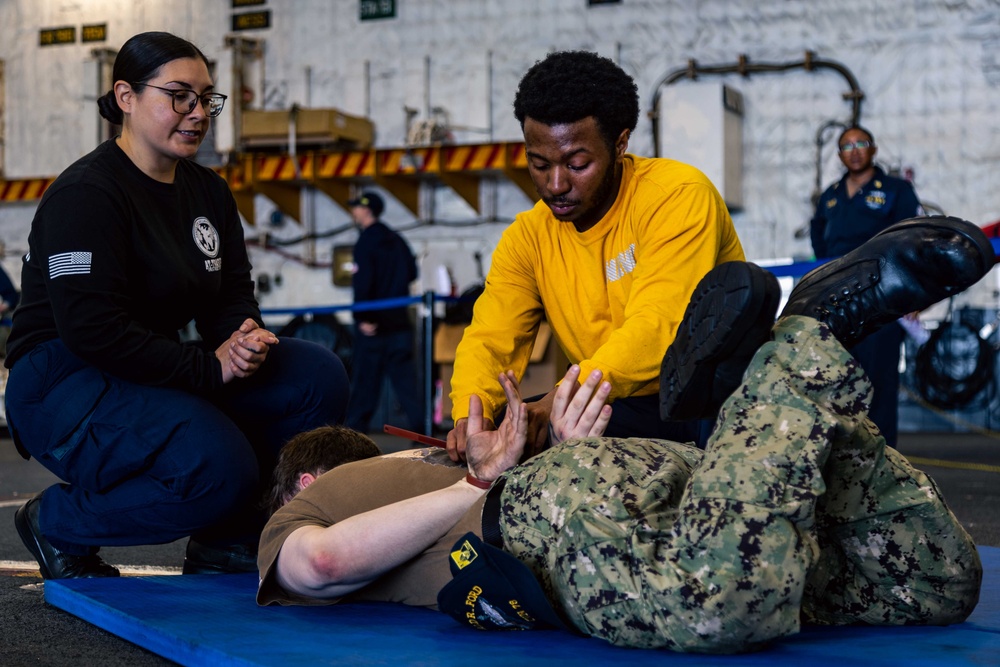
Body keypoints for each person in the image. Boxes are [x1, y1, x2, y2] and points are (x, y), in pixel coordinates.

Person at [257, 216, 991, 653]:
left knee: (721, 602)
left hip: (532, 512)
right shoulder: (415, 473)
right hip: (615, 478)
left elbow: (319, 563)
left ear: (306, 483)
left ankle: (800, 344)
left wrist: (479, 482)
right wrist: (546, 456)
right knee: (932, 580)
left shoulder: (316, 503)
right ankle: (785, 374)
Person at [7, 31, 349, 580]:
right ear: (126, 96)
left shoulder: (207, 191)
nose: (198, 112)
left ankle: (228, 539)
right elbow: (92, 330)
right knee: (217, 468)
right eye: (179, 96)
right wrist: (209, 368)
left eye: (206, 98)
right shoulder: (85, 194)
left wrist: (243, 338)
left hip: (149, 364)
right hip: (61, 380)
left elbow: (230, 291)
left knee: (314, 376)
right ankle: (58, 522)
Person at [446, 50, 747, 460]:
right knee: (509, 436)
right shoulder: (527, 238)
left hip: (709, 402)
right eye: (539, 164)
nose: (555, 184)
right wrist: (472, 413)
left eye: (577, 164)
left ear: (620, 144)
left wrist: (559, 400)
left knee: (547, 431)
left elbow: (658, 327)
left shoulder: (677, 197)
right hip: (613, 398)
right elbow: (491, 337)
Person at [809, 125, 922, 447]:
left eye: (861, 143)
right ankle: (844, 458)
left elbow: (912, 238)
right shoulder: (830, 195)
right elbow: (819, 237)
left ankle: (883, 460)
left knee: (879, 382)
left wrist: (914, 293)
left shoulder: (897, 190)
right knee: (837, 378)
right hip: (838, 300)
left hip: (882, 296)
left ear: (873, 149)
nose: (854, 150)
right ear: (839, 155)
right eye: (847, 146)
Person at [344, 191, 425, 434]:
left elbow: (363, 282)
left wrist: (362, 317)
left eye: (356, 207)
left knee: (365, 386)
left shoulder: (365, 242)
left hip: (374, 326)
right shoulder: (396, 239)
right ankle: (422, 433)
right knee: (407, 386)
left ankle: (352, 438)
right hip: (399, 323)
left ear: (366, 210)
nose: (353, 212)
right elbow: (412, 272)